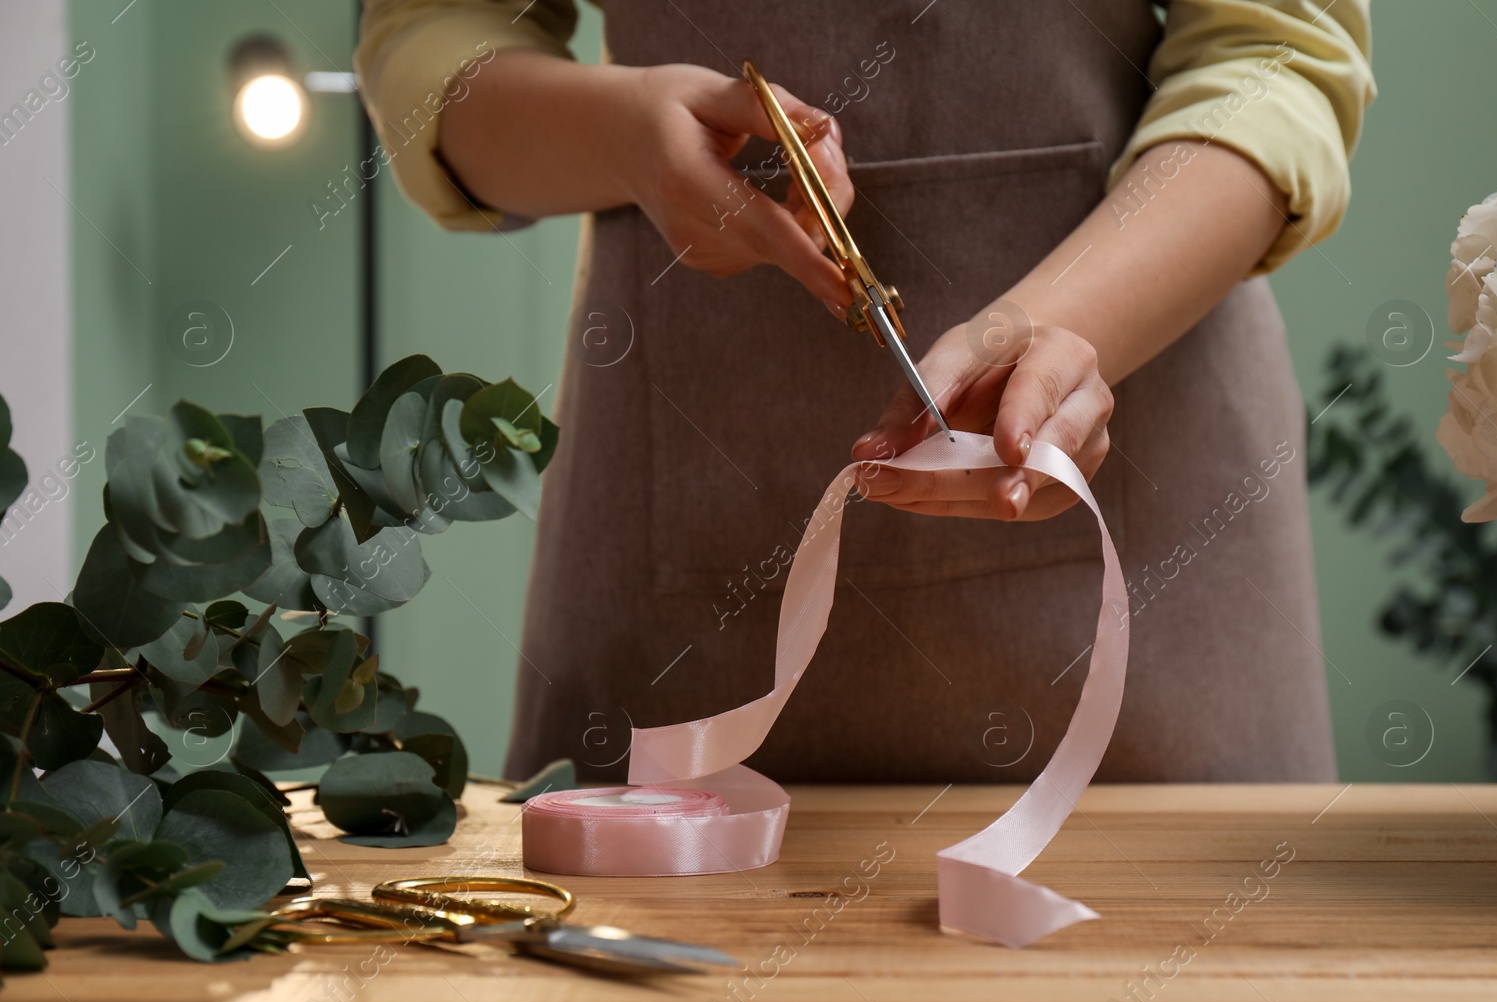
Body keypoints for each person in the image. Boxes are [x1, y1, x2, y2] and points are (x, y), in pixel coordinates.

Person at [356, 0, 1375, 783]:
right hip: (673, 565)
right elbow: (431, 42)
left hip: (1165, 558)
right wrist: (622, 131)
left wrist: (1069, 326)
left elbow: (1275, 54)